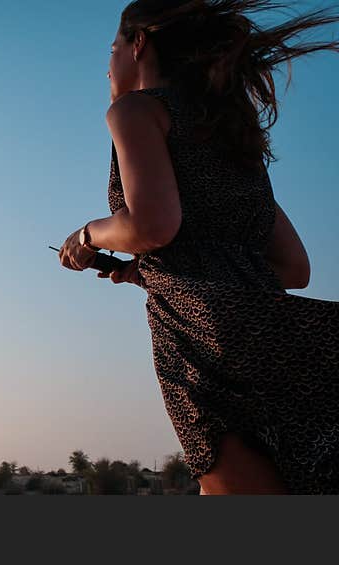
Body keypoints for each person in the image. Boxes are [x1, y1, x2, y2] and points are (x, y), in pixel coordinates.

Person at [58, 0, 339, 494]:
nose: (107, 64)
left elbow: (153, 225)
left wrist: (86, 236)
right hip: (277, 336)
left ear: (138, 43)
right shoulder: (231, 135)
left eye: (113, 48)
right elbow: (294, 268)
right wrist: (157, 271)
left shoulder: (136, 111)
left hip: (209, 341)